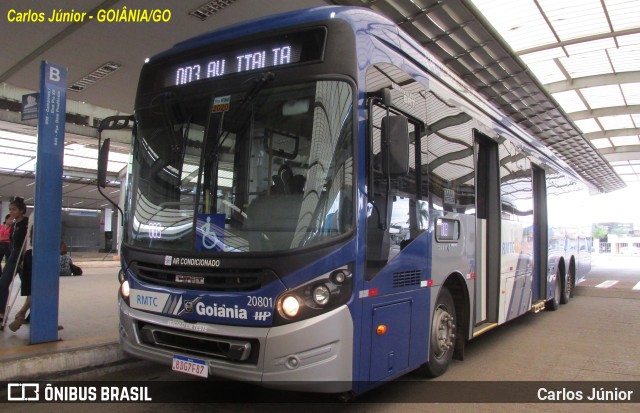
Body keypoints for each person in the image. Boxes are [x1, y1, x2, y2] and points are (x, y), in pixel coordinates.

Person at [0, 197, 28, 330]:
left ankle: (29, 314)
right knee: (3, 283)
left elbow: (27, 242)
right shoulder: (14, 224)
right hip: (13, 255)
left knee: (29, 287)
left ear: (21, 210)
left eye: (14, 209)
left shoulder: (27, 223)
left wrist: (23, 259)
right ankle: (1, 313)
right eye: (10, 209)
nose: (11, 212)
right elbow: (12, 242)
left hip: (24, 257)